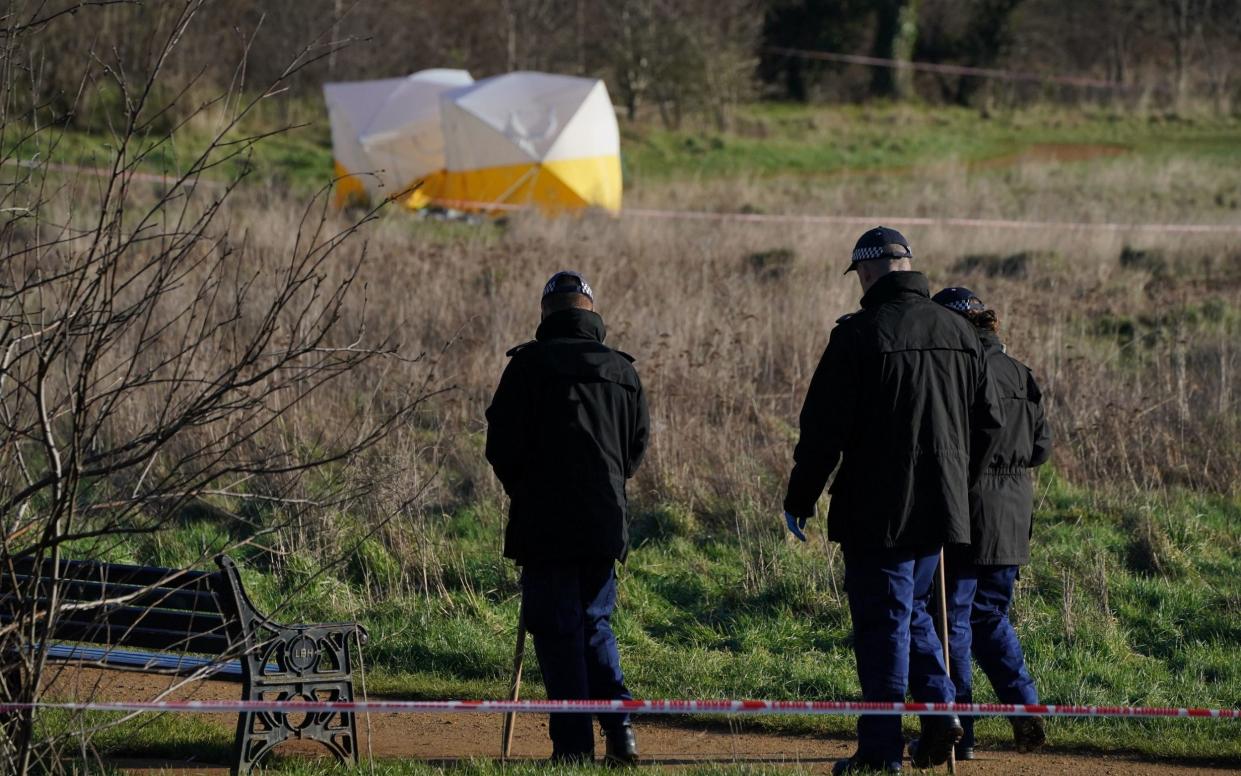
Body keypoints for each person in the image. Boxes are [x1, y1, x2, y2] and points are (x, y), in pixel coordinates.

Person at [782, 227, 1003, 774]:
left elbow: (822, 429)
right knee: (915, 618)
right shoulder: (960, 331)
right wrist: (957, 480)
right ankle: (941, 716)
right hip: (941, 509)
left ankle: (880, 753)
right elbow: (990, 426)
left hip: (876, 511)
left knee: (884, 627)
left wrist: (800, 497)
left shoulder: (857, 335)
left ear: (868, 271)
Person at [485, 270, 650, 765]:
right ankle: (620, 734)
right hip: (603, 521)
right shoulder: (623, 371)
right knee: (595, 624)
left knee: (558, 631)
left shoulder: (527, 367)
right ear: (591, 313)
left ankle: (574, 747)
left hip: (545, 523)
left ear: (546, 314)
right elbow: (634, 451)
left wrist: (526, 490)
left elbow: (501, 448)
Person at [930, 287, 1051, 760]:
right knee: (990, 617)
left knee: (953, 622)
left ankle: (962, 732)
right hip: (1015, 513)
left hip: (969, 508)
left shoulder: (960, 372)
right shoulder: (1021, 372)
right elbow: (1041, 449)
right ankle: (1027, 710)